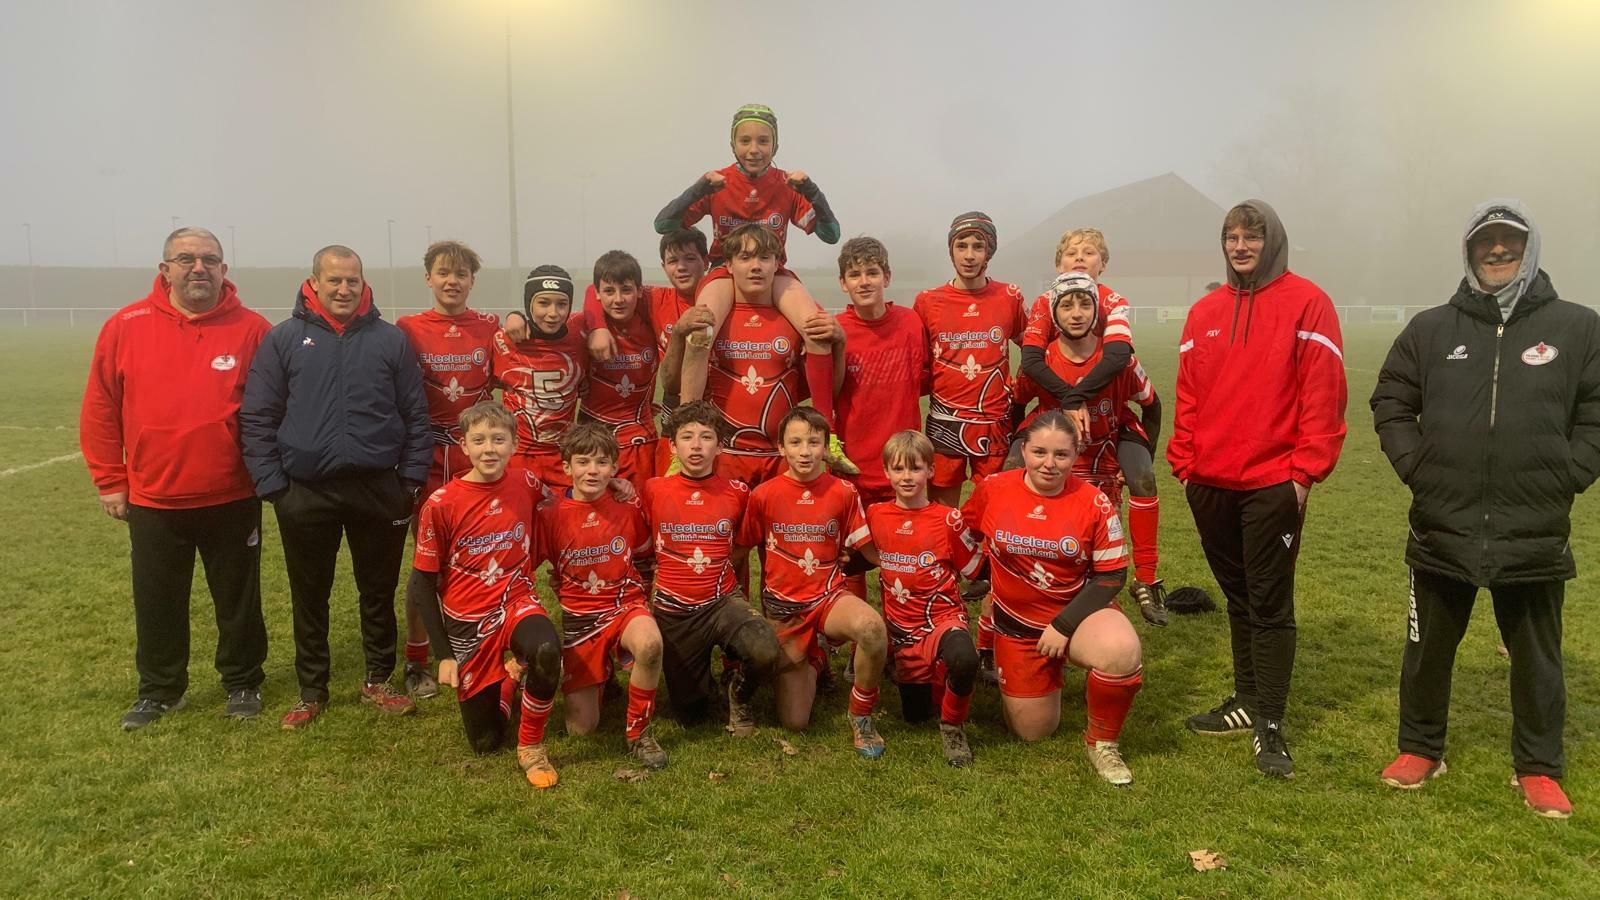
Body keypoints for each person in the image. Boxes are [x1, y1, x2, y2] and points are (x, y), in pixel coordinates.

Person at [1371, 200, 1597, 819]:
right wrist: (1417, 467)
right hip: (1442, 524)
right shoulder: (1431, 329)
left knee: (1538, 660)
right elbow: (1391, 399)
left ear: (1530, 249)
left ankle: (1538, 766)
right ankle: (1420, 747)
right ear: (1469, 252)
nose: (1497, 251)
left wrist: (1570, 472)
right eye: (1485, 242)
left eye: (1510, 242)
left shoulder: (1579, 327)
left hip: (1534, 528)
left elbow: (1596, 411)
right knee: (1426, 651)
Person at [1167, 200, 1347, 779]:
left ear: (1273, 242)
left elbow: (1323, 393)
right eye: (1232, 237)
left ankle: (1270, 720)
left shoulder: (1308, 302)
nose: (1241, 246)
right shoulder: (1204, 312)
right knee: (1239, 597)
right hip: (1209, 482)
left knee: (1269, 602)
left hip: (1273, 483)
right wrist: (1186, 463)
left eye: (1252, 236)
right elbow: (1189, 394)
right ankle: (1245, 700)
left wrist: (1304, 474)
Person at [80, 227, 271, 730]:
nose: (198, 268)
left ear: (224, 269)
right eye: (185, 259)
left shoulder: (253, 329)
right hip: (154, 497)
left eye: (209, 259)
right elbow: (101, 407)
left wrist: (268, 474)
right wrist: (109, 479)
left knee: (238, 599)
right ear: (165, 269)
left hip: (233, 493)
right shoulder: (125, 326)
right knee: (158, 600)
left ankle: (243, 681)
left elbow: (274, 408)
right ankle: (160, 690)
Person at [240, 244, 432, 729]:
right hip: (305, 491)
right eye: (334, 280)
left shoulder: (389, 340)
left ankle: (378, 680)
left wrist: (409, 480)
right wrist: (274, 487)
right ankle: (312, 690)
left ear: (363, 283)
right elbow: (258, 415)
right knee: (310, 594)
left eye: (352, 280)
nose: (344, 289)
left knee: (377, 590)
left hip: (379, 488)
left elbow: (415, 413)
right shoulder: (284, 339)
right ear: (314, 283)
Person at [651, 103, 850, 467]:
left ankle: (828, 439)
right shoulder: (719, 183)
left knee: (817, 331)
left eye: (763, 141)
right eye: (745, 140)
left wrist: (812, 191)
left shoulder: (786, 185)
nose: (754, 149)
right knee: (700, 331)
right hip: (725, 273)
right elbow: (663, 225)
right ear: (733, 144)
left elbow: (830, 234)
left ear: (776, 145)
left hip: (774, 273)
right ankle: (687, 435)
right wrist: (697, 189)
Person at [962, 411, 1143, 785]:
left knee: (1121, 651)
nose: (1049, 463)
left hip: (1075, 618)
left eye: (1061, 454)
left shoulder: (1094, 502)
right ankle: (997, 639)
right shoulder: (994, 488)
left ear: (1076, 454)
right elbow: (962, 536)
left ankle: (1102, 744)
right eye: (1039, 452)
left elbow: (1112, 576)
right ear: (1023, 450)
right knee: (1033, 732)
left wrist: (1063, 625)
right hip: (1017, 625)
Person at [408, 403, 563, 788]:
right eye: (479, 440)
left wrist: (615, 486)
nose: (489, 449)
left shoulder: (527, 482)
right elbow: (421, 584)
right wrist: (444, 655)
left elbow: (568, 500)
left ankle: (531, 746)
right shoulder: (440, 504)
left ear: (514, 445)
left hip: (516, 601)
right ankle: (510, 679)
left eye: (498, 439)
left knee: (546, 650)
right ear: (464, 446)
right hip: (468, 621)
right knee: (485, 742)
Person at [1018, 229, 1164, 619]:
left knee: (1142, 478)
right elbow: (1029, 366)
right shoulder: (1044, 303)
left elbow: (1118, 358)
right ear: (1057, 265)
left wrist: (1078, 396)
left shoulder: (1113, 302)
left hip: (1110, 415)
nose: (1080, 258)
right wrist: (1068, 398)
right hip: (1055, 412)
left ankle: (1147, 578)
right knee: (1015, 469)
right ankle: (1004, 560)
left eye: (1089, 252)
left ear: (1104, 264)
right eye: (1071, 253)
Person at [913, 211, 1026, 682]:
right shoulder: (928, 301)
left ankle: (992, 619)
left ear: (990, 251)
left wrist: (1019, 391)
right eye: (962, 246)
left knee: (993, 519)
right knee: (943, 518)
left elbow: (1033, 347)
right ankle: (940, 607)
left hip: (993, 425)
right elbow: (918, 363)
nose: (970, 254)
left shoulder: (1009, 296)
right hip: (945, 424)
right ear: (951, 250)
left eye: (979, 246)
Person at [738, 408, 889, 758]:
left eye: (813, 442)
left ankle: (861, 715)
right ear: (781, 448)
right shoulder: (763, 495)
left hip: (828, 597)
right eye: (795, 443)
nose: (805, 451)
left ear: (826, 448)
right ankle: (816, 657)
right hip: (785, 609)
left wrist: (917, 563)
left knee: (871, 629)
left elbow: (870, 551)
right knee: (795, 721)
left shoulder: (843, 491)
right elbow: (740, 550)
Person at [395, 239, 501, 699]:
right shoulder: (407, 328)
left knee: (485, 553)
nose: (452, 281)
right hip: (427, 457)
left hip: (477, 459)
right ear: (428, 278)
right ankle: (416, 658)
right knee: (427, 563)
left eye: (460, 274)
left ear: (472, 281)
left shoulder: (491, 327)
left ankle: (483, 642)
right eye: (443, 272)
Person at [535, 423, 668, 769]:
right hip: (581, 619)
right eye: (583, 462)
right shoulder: (549, 513)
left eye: (601, 462)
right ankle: (600, 675)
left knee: (650, 644)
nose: (592, 471)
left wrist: (646, 604)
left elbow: (646, 558)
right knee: (581, 730)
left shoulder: (627, 505)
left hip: (625, 606)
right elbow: (524, 567)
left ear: (614, 467)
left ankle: (639, 733)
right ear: (566, 467)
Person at [643, 401, 781, 733]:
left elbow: (745, 544)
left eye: (706, 437)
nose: (696, 446)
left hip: (721, 602)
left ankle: (739, 695)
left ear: (720, 447)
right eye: (687, 437)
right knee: (691, 714)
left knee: (765, 649)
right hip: (674, 611)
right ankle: (699, 681)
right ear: (673, 446)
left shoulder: (738, 492)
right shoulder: (653, 490)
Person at [808, 236, 930, 598]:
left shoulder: (910, 322)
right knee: (851, 560)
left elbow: (923, 380)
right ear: (842, 283)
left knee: (904, 557)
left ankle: (905, 625)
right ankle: (859, 630)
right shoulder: (834, 329)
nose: (864, 281)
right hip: (854, 466)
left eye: (872, 272)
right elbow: (827, 394)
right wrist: (838, 346)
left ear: (887, 277)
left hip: (902, 465)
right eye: (855, 274)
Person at [867, 431, 983, 766]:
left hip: (942, 620)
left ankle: (953, 727)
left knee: (965, 660)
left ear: (931, 471)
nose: (907, 477)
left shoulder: (948, 519)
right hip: (902, 630)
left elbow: (976, 570)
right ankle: (924, 672)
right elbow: (856, 556)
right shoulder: (875, 515)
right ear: (886, 472)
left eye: (915, 468)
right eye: (898, 469)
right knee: (916, 716)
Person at [492, 265, 590, 488]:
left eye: (562, 304)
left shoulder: (580, 339)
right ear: (529, 304)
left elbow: (597, 300)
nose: (553, 313)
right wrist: (514, 315)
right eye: (543, 303)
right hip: (516, 456)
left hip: (564, 457)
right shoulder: (504, 340)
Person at [578, 250, 662, 492]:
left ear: (639, 290)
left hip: (640, 440)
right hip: (592, 441)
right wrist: (515, 318)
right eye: (609, 291)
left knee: (638, 507)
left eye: (626, 290)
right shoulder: (582, 325)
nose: (618, 299)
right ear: (598, 293)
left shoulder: (651, 322)